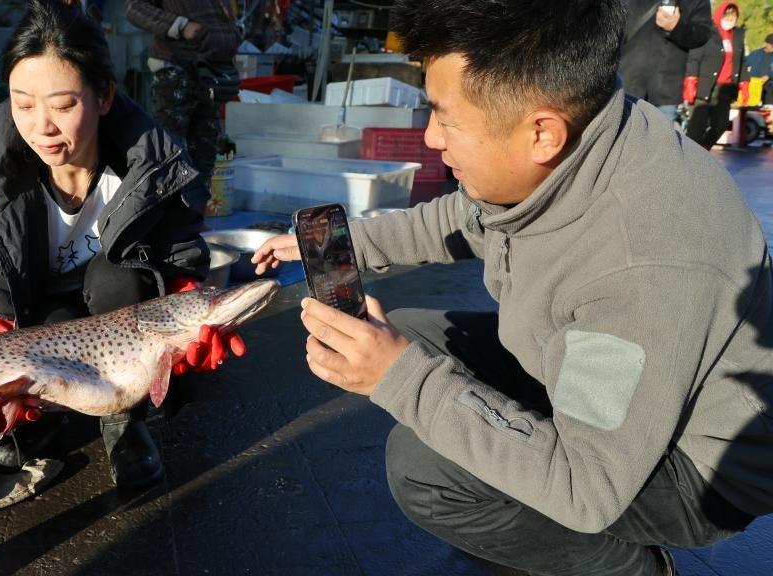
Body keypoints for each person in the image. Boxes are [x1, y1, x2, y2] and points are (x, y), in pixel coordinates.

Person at [253, 1, 773, 574]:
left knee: (425, 466)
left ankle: (628, 568)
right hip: (604, 371)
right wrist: (345, 244)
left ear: (541, 133)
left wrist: (399, 378)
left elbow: (587, 485)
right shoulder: (590, 129)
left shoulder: (637, 268)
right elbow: (464, 215)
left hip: (693, 470)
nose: (430, 138)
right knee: (405, 333)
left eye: (445, 119)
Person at [0, 0, 240, 491]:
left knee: (116, 274)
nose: (42, 126)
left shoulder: (152, 164)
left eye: (64, 104)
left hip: (122, 314)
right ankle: (45, 416)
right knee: (8, 445)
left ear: (105, 97)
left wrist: (188, 300)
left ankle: (124, 421)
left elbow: (179, 246)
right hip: (40, 322)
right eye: (23, 103)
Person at [126, 0, 242, 190]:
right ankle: (169, 214)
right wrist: (181, 26)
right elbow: (134, 9)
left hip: (211, 71)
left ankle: (195, 214)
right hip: (176, 68)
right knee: (169, 151)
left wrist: (233, 32)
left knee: (205, 151)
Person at [619, 0, 713, 124]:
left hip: (666, 89)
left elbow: (703, 34)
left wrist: (676, 27)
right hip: (627, 79)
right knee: (622, 138)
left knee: (660, 141)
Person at [684, 2, 751, 149]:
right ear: (720, 14)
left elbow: (741, 62)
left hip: (725, 89)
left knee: (721, 125)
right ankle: (685, 158)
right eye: (727, 15)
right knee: (696, 129)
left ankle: (702, 152)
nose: (730, 18)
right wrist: (690, 81)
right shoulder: (708, 32)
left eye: (733, 15)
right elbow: (694, 58)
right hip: (705, 87)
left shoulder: (738, 35)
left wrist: (744, 84)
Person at [744, 33, 773, 105]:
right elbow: (744, 66)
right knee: (752, 108)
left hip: (769, 87)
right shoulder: (755, 54)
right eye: (772, 45)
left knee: (768, 108)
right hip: (754, 86)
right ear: (766, 43)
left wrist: (769, 76)